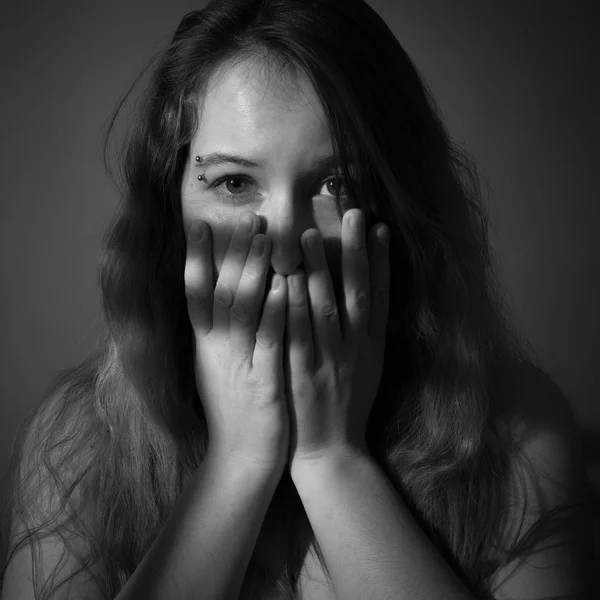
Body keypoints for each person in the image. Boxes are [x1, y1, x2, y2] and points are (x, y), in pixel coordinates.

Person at [0, 0, 597, 598]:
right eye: (235, 183)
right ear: (170, 208)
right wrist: (236, 463)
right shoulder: (79, 441)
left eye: (338, 184)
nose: (285, 245)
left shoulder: (515, 430)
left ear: (401, 201)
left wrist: (332, 459)